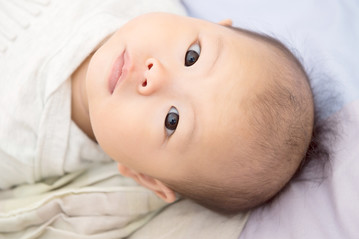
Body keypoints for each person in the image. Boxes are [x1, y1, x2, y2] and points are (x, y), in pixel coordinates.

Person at [0, 2, 314, 214]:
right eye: (193, 56)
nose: (157, 73)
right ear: (209, 24)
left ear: (146, 178)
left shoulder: (18, 146)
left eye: (172, 120)